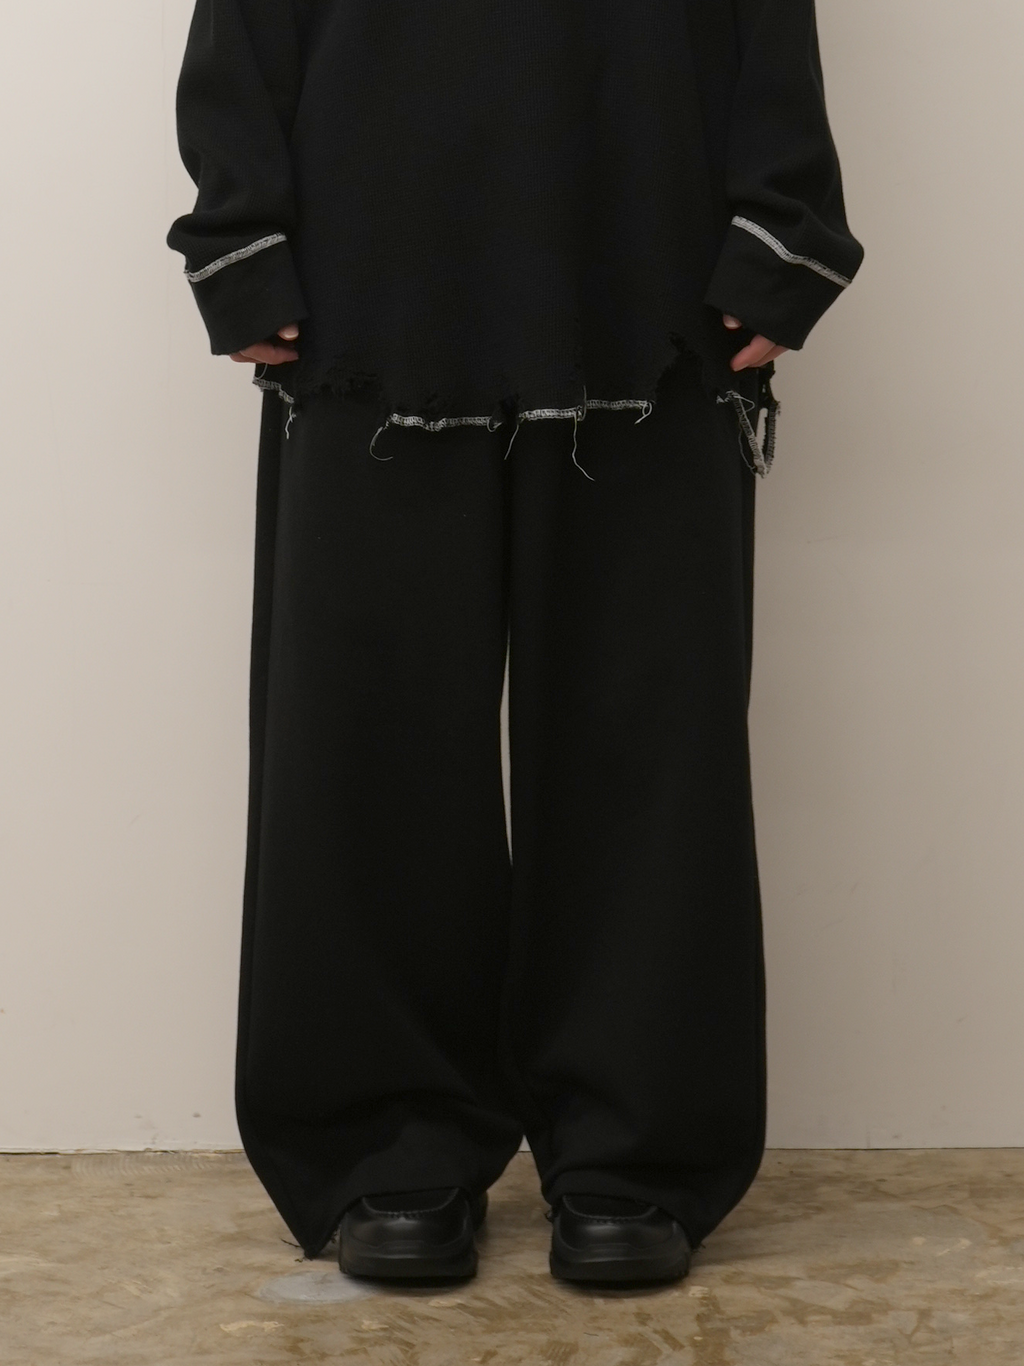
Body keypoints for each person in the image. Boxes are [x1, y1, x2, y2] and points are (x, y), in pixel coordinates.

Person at [167, 0, 862, 1286]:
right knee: (367, 731)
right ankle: (388, 1134)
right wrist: (239, 237)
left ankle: (635, 1145)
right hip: (367, 295)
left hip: (651, 282)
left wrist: (782, 232)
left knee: (647, 733)